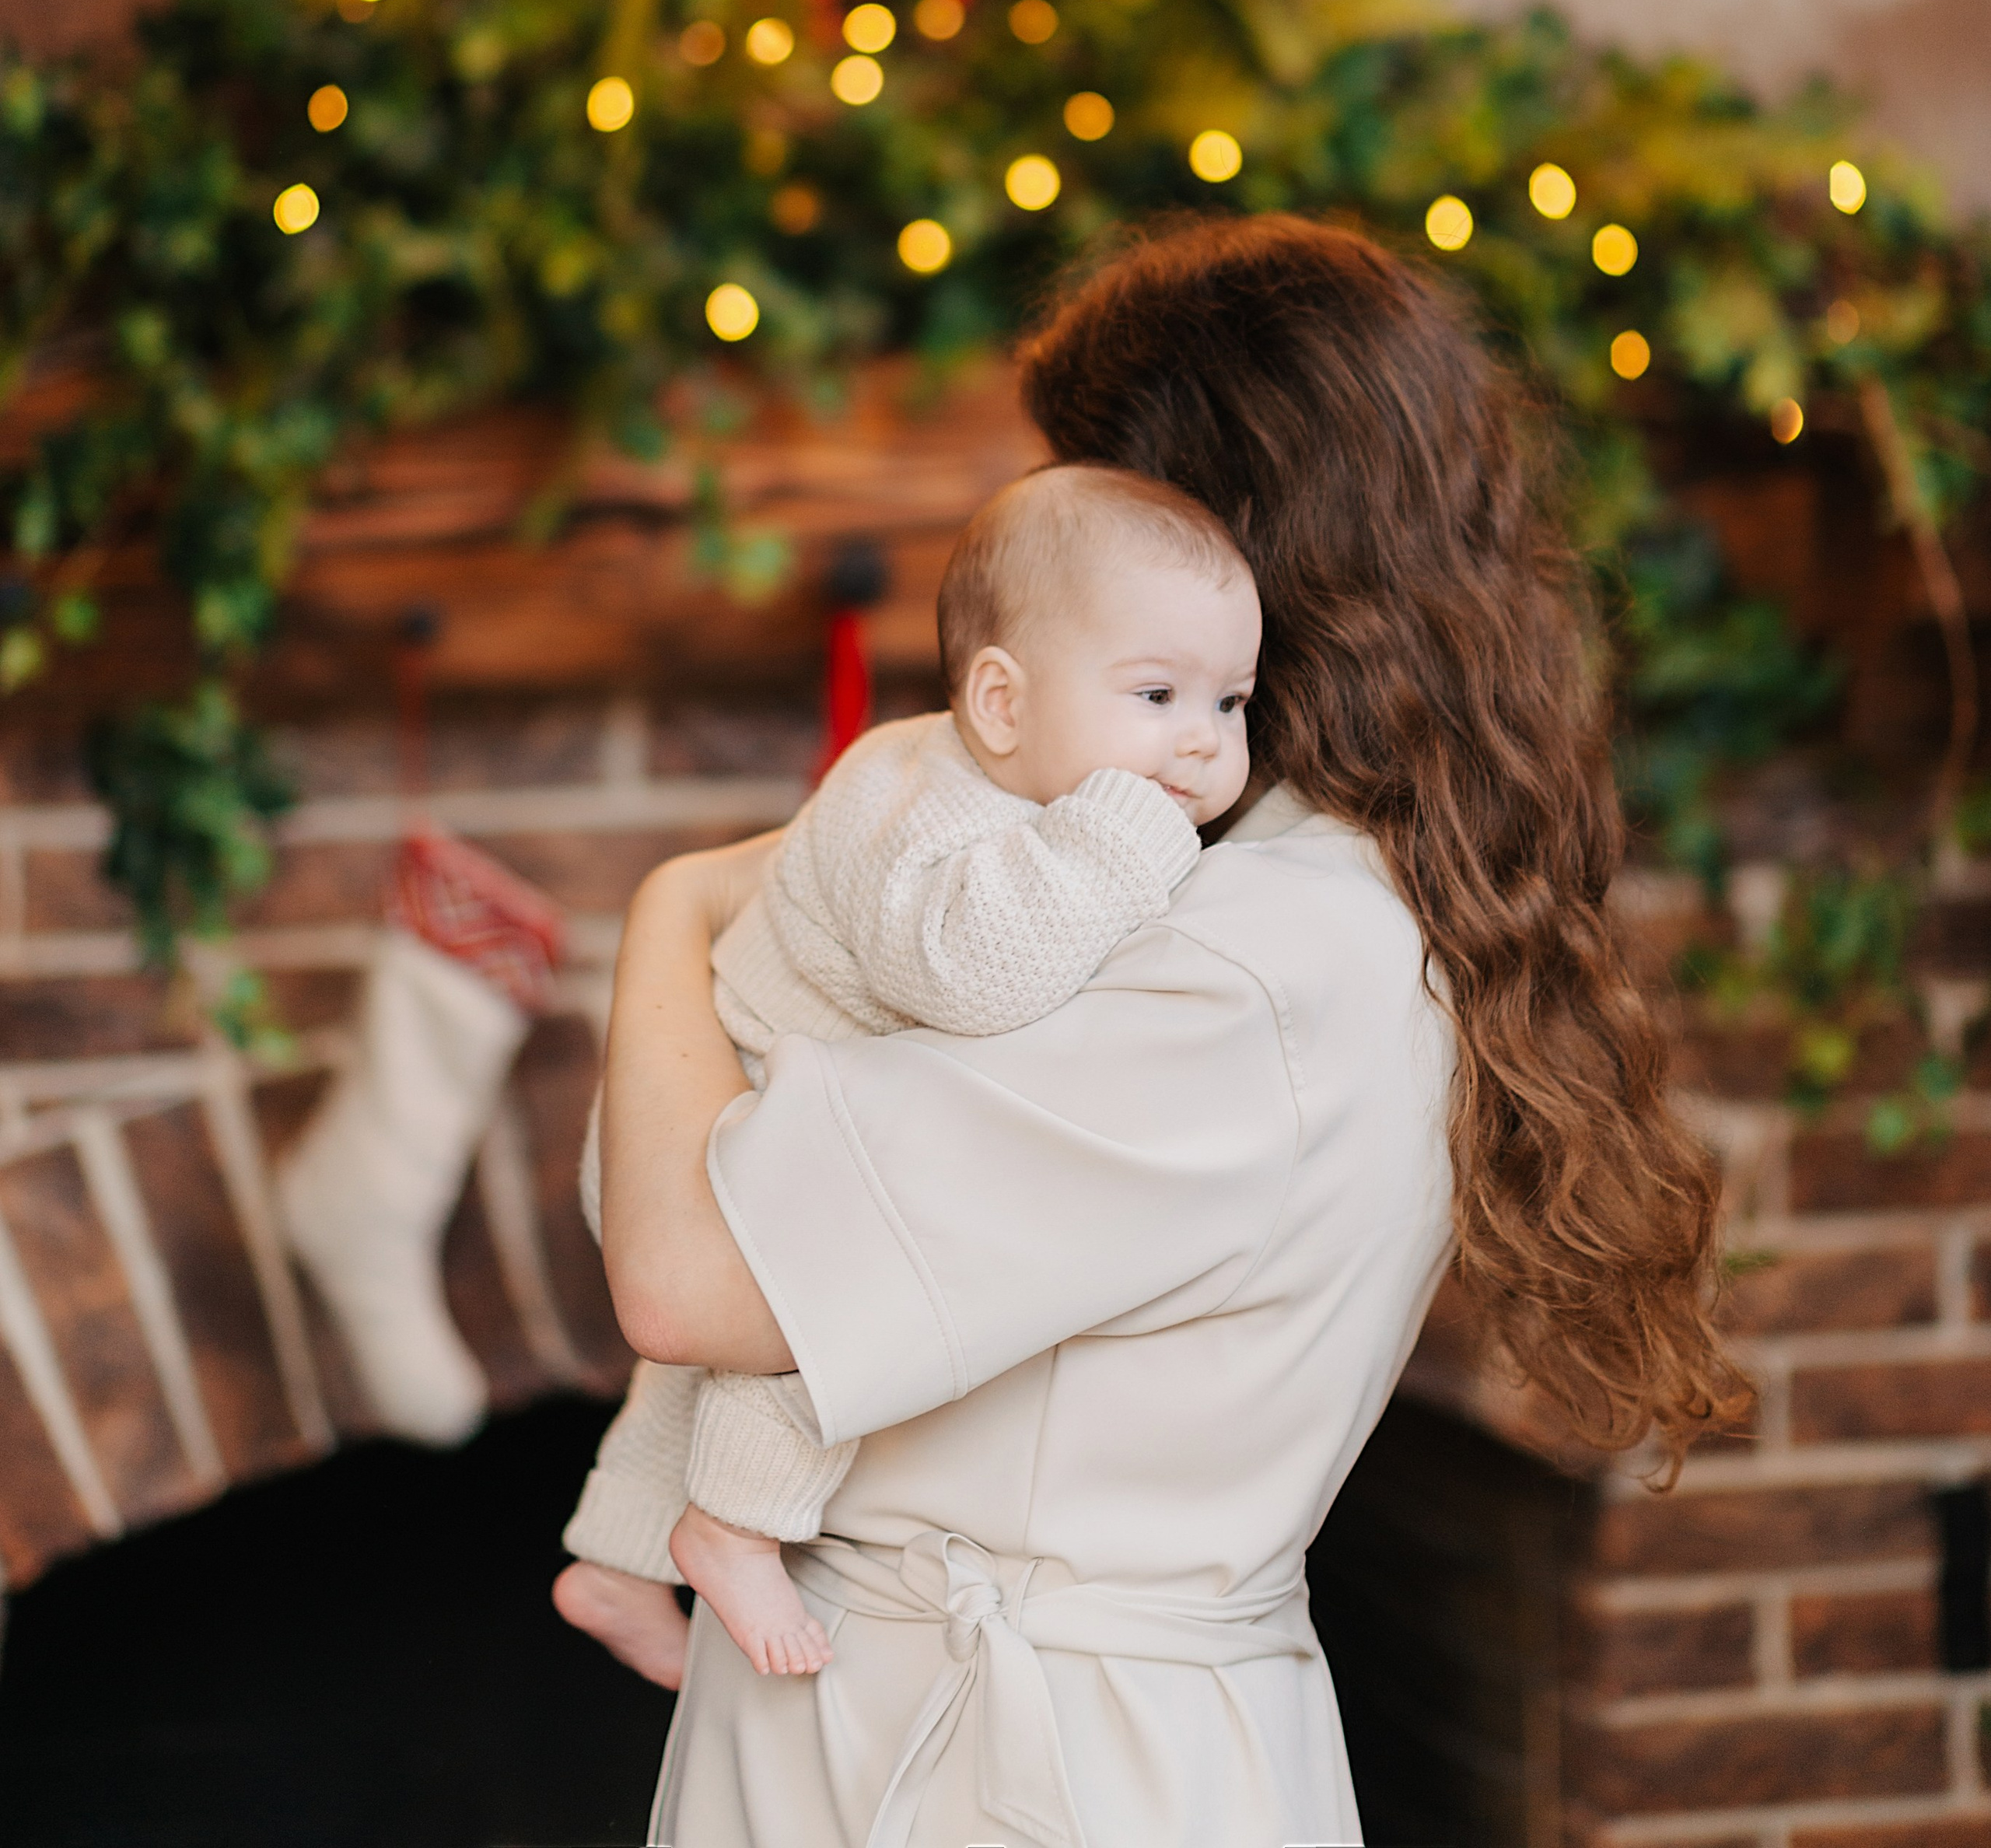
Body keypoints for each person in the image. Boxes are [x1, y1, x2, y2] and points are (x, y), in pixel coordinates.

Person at [593, 215, 1747, 1848]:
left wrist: (668, 908)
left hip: (1002, 1764)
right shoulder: (1314, 888)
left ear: (1232, 544)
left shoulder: (1239, 965)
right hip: (1054, 1725)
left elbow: (689, 1275)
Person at [555, 462, 1258, 1682]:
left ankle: (613, 1564)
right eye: (1157, 693)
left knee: (697, 1373)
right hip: (697, 1158)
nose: (1201, 742)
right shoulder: (922, 809)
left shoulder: (979, 778)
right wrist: (1140, 835)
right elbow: (973, 976)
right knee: (850, 1303)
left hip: (708, 1123)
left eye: (1233, 702)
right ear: (1000, 699)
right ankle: (731, 1523)